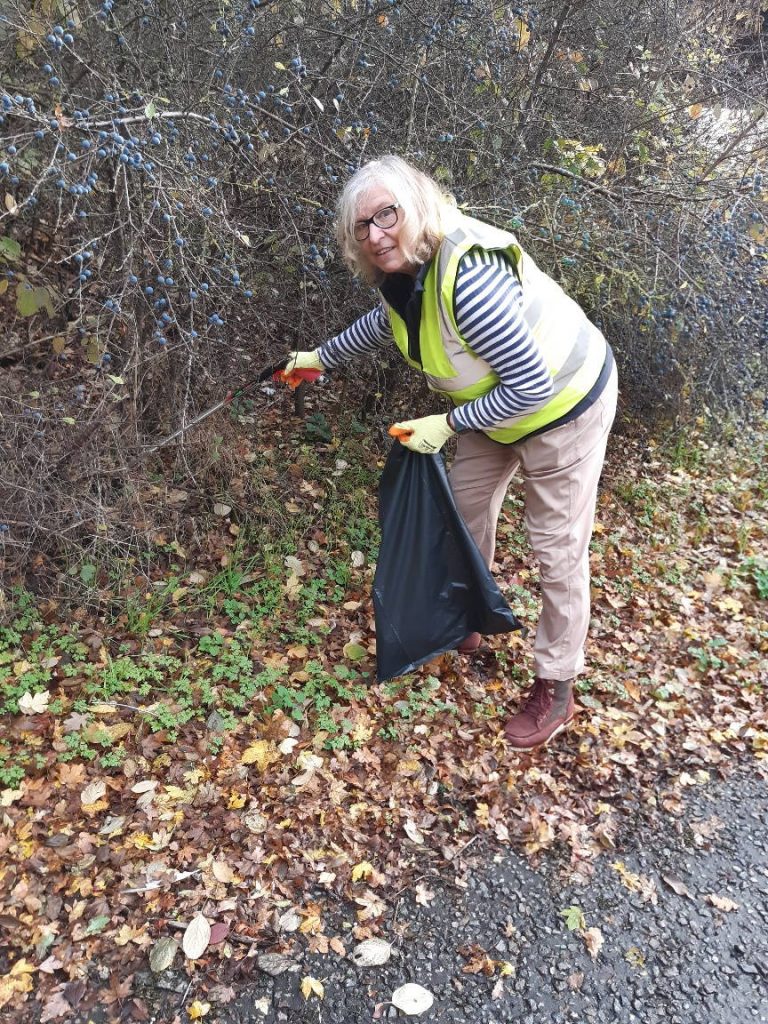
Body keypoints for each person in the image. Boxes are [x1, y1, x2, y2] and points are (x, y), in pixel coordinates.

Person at [286, 154, 618, 751]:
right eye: (361, 227)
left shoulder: (468, 278)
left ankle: (557, 685)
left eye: (386, 215)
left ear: (416, 209)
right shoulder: (404, 276)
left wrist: (449, 423)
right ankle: (471, 615)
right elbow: (385, 326)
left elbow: (532, 387)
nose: (376, 235)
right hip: (497, 408)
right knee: (460, 513)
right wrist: (319, 359)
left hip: (565, 404)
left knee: (556, 549)